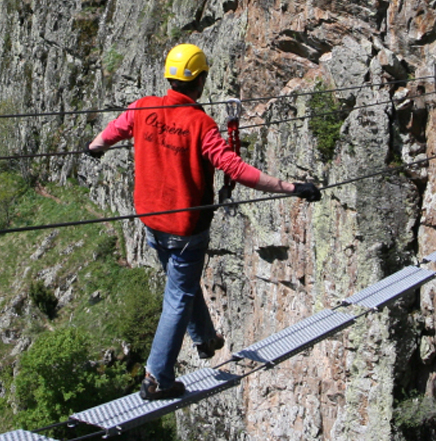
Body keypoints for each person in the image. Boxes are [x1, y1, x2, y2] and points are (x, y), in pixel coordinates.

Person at [87, 43, 321, 401]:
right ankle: (157, 378)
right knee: (178, 298)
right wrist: (291, 188)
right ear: (200, 80)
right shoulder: (200, 124)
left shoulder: (144, 107)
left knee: (183, 284)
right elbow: (237, 170)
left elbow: (114, 130)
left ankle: (204, 338)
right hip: (186, 229)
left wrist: (95, 147)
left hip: (151, 221)